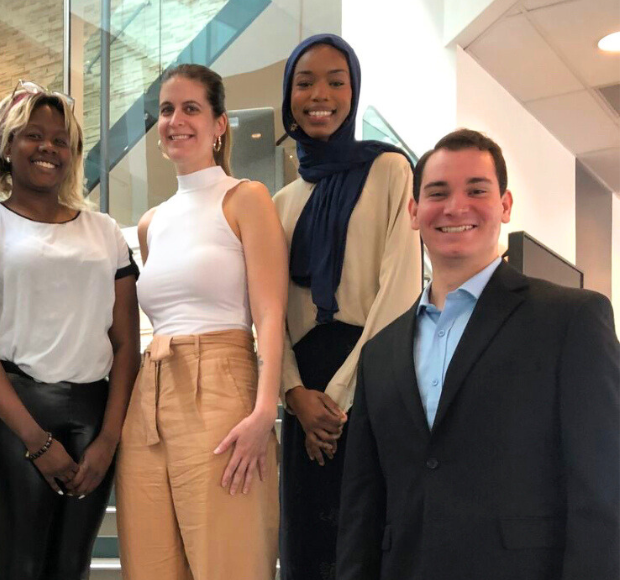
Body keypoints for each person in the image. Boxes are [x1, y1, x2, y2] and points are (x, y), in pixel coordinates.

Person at [337, 129, 620, 580]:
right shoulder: (380, 353)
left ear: (505, 206)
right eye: (437, 192)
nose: (456, 207)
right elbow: (362, 507)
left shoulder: (572, 320)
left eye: (476, 190)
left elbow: (602, 489)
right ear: (414, 212)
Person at [0, 81, 140, 580]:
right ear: (7, 146)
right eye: (33, 135)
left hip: (94, 413)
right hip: (11, 414)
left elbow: (125, 345)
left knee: (72, 568)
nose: (48, 147)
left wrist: (109, 439)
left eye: (61, 139)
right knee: (21, 567)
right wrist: (36, 440)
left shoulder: (106, 232)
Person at [116, 63, 287, 580]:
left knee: (227, 563)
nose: (175, 120)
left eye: (191, 108)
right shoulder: (151, 223)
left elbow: (271, 312)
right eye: (167, 109)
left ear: (219, 124)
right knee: (149, 566)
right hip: (149, 395)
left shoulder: (246, 198)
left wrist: (263, 412)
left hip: (221, 386)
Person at [272, 34, 423, 580]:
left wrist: (334, 402)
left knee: (363, 544)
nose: (321, 94)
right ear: (288, 95)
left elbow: (400, 292)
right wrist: (294, 395)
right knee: (306, 545)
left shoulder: (390, 171)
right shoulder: (280, 203)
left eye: (337, 81)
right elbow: (267, 311)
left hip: (367, 383)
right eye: (305, 81)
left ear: (354, 91)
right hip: (302, 389)